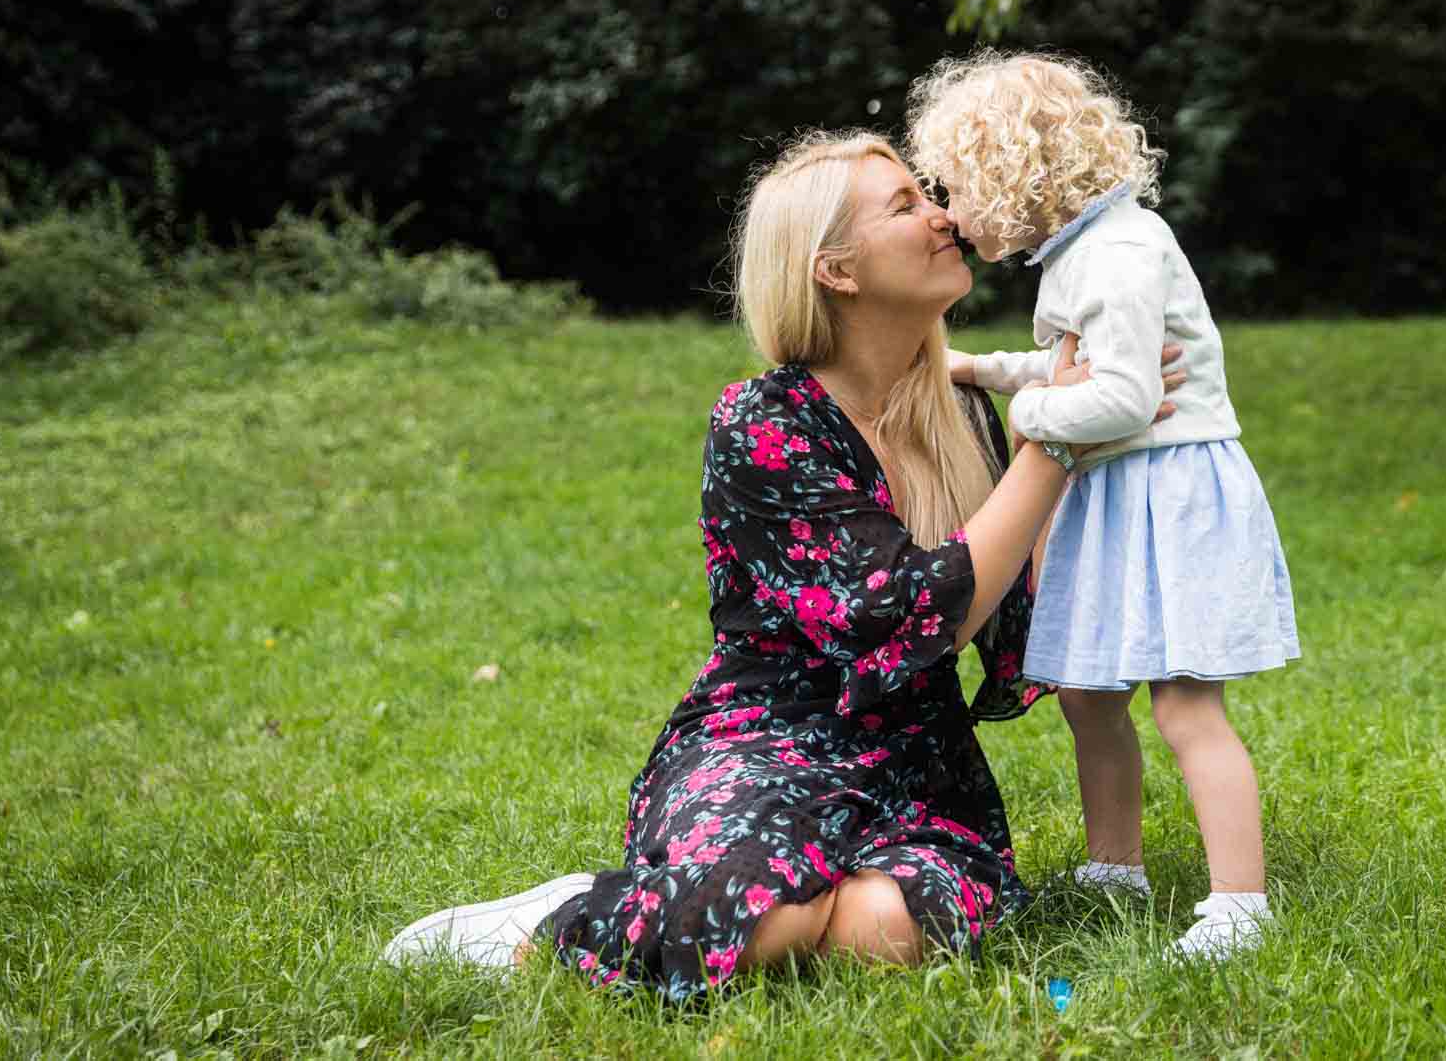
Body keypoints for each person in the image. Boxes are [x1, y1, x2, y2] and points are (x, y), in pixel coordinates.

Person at [382, 131, 1182, 998]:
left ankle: (695, 902)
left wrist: (1075, 449)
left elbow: (1007, 611)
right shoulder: (763, 424)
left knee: (883, 930)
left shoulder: (962, 414)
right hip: (765, 741)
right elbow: (902, 616)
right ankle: (562, 920)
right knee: (767, 916)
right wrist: (1055, 447)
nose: (944, 216)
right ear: (835, 269)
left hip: (918, 766)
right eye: (905, 205)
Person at [910, 52, 1301, 961]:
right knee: (1089, 696)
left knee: (1185, 706)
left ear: (1016, 178)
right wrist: (988, 368)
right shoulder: (1085, 250)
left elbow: (1120, 398)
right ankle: (1114, 867)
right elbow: (1076, 364)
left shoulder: (1120, 254)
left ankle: (1241, 904)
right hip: (1122, 494)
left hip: (1168, 494)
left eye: (960, 188)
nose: (952, 215)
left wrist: (1026, 410)